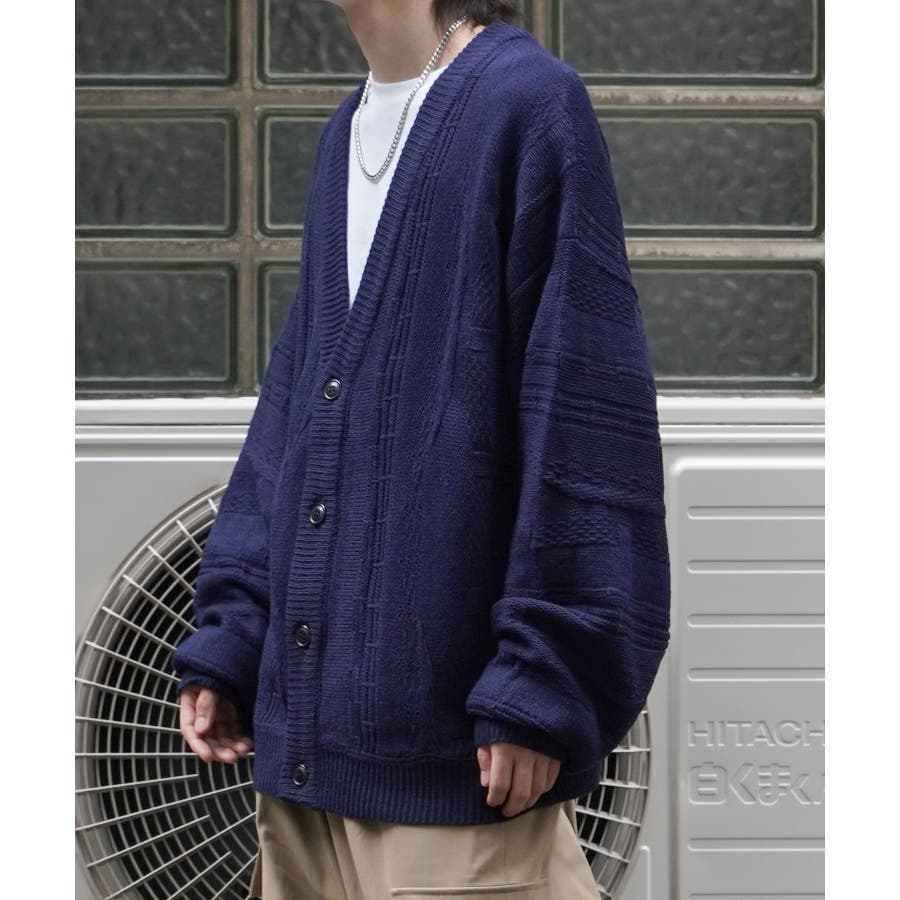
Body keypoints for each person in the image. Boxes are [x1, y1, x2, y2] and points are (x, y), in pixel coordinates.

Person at [172, 1, 671, 897]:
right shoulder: (348, 131)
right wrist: (235, 633)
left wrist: (543, 681)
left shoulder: (528, 103)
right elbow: (297, 409)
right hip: (303, 783)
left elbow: (587, 416)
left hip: (457, 779)